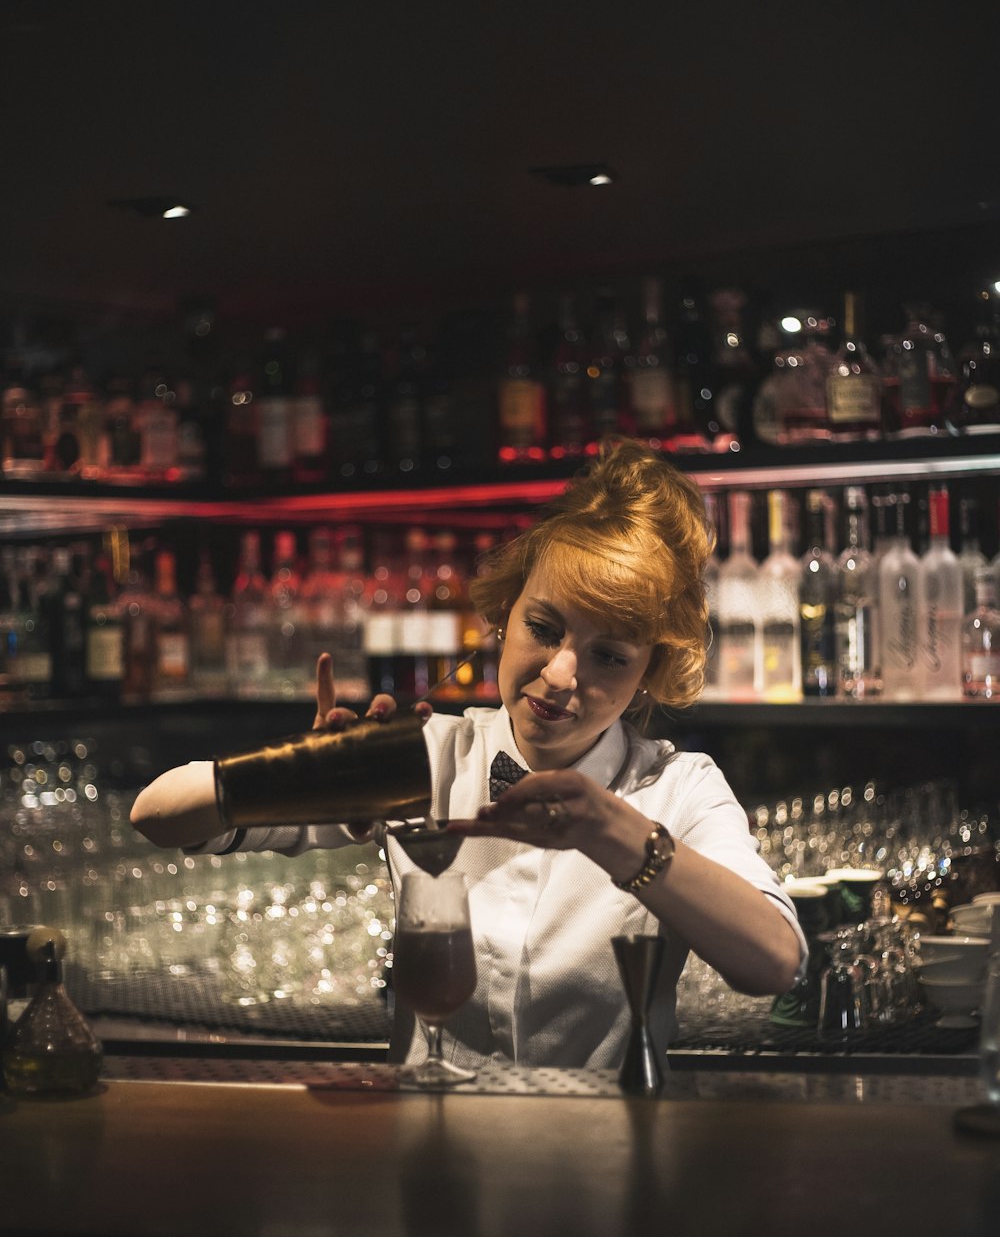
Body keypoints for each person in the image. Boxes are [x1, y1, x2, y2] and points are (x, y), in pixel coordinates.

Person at [131, 438, 806, 1070]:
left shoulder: (677, 788)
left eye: (608, 654)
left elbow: (774, 962)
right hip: (431, 1153)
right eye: (543, 628)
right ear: (504, 614)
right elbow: (155, 813)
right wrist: (304, 773)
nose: (563, 673)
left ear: (648, 672)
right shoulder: (430, 755)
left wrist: (615, 832)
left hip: (602, 1164)